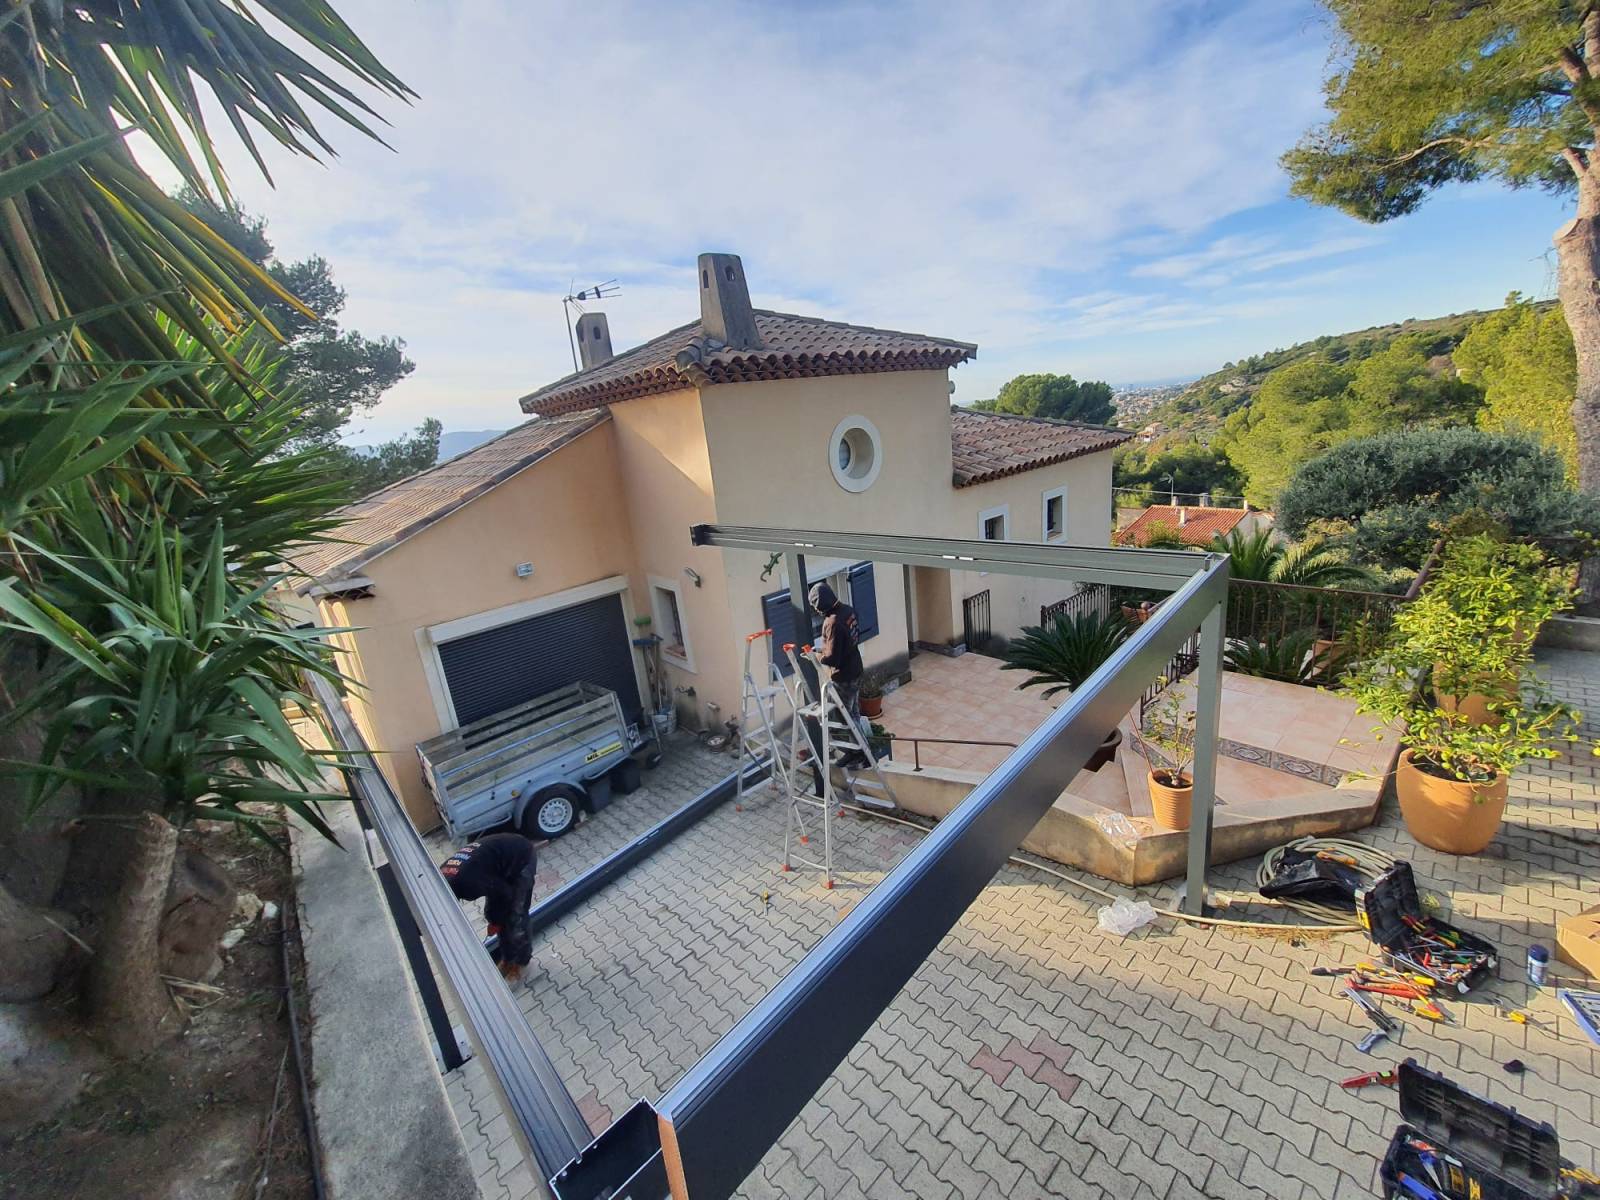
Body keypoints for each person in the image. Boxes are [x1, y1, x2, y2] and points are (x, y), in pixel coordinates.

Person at [440, 832, 536, 983]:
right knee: (501, 916)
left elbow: (505, 894)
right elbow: (495, 891)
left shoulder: (467, 883)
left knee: (516, 916)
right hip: (500, 862)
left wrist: (495, 921)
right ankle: (507, 959)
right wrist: (494, 919)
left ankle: (520, 964)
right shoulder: (442, 880)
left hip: (521, 856)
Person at [809, 580, 870, 770]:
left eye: (817, 608)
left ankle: (856, 752)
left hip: (843, 676)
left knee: (837, 717)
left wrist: (816, 655)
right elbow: (844, 643)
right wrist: (823, 649)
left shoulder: (832, 622)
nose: (817, 612)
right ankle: (862, 752)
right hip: (856, 669)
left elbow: (832, 658)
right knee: (853, 714)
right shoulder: (848, 610)